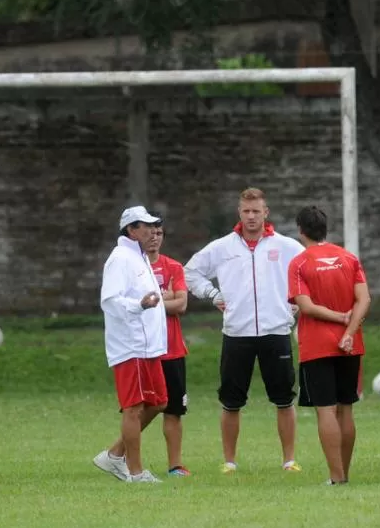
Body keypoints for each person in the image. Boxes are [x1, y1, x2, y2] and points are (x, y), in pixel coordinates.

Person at [184, 188, 305, 474]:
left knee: (284, 398)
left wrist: (297, 301)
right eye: (246, 211)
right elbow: (190, 272)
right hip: (237, 333)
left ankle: (289, 460)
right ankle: (229, 461)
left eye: (256, 211)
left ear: (266, 213)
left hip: (276, 331)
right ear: (239, 213)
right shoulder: (222, 247)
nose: (251, 217)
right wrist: (212, 294)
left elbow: (307, 271)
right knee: (231, 400)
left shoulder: (287, 246)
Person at [288, 206, 371, 485]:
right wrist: (349, 330)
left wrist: (337, 318)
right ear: (325, 228)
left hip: (317, 346)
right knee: (346, 407)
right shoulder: (348, 258)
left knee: (326, 409)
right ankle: (344, 474)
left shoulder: (299, 263)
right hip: (350, 345)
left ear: (301, 230)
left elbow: (306, 306)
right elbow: (365, 299)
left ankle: (336, 477)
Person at [93, 205, 168, 483]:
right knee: (134, 408)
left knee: (159, 402)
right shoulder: (120, 258)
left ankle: (114, 455)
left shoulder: (140, 257)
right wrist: (139, 304)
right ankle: (135, 473)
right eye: (145, 226)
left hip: (150, 346)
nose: (151, 231)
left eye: (152, 226)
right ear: (131, 230)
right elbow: (111, 300)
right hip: (130, 345)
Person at [146, 220, 191, 477]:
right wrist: (167, 298)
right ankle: (128, 461)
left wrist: (151, 302)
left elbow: (182, 305)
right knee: (139, 408)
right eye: (150, 232)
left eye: (159, 233)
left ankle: (174, 465)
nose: (155, 237)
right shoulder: (134, 269)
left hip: (172, 350)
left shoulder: (173, 267)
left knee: (173, 410)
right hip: (143, 349)